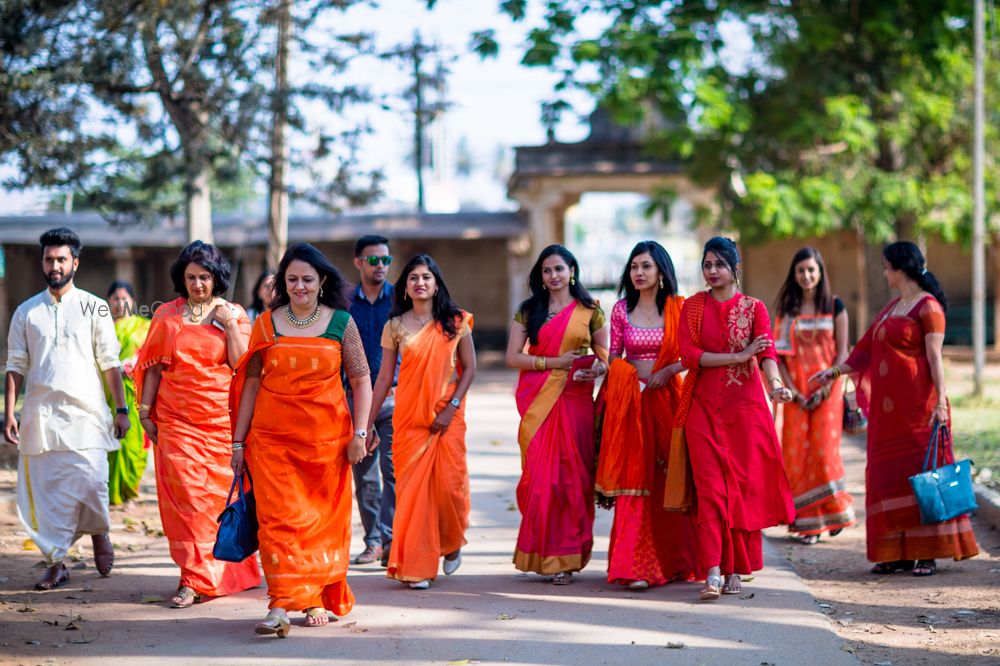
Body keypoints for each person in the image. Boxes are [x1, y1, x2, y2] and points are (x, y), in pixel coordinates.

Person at [811, 241, 978, 576]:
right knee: (888, 478)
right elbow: (863, 352)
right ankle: (896, 552)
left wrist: (942, 402)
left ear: (901, 268)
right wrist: (832, 373)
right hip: (889, 417)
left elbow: (934, 358)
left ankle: (927, 552)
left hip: (920, 409)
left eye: (887, 266)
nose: (884, 272)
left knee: (922, 475)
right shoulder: (892, 308)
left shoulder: (928, 308)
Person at [230, 243, 371, 636]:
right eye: (292, 279)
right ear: (282, 283)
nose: (300, 286)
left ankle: (311, 596)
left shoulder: (341, 323)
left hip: (326, 445)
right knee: (278, 522)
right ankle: (279, 603)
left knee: (318, 524)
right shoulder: (266, 323)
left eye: (307, 279)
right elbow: (252, 384)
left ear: (322, 280)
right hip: (272, 441)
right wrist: (238, 443)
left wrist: (360, 432)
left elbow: (361, 380)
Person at [134, 241, 260, 608]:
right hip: (177, 424)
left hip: (223, 426)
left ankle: (226, 573)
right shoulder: (168, 317)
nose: (198, 284)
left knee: (219, 504)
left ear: (215, 277)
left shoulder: (233, 313)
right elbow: (152, 368)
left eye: (204, 277)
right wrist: (145, 413)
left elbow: (243, 364)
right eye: (191, 277)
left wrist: (228, 326)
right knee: (187, 505)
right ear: (182, 279)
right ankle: (193, 579)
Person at [4, 228, 130, 590]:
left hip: (87, 414)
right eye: (49, 259)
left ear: (75, 262)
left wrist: (120, 408)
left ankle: (99, 531)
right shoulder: (27, 312)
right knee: (46, 495)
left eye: (61, 259)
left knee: (92, 482)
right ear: (43, 263)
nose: (54, 265)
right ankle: (56, 561)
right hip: (41, 417)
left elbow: (110, 362)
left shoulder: (95, 306)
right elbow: (16, 365)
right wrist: (10, 412)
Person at [676, 236, 795, 601]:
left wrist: (775, 386)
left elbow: (766, 352)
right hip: (702, 408)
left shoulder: (754, 308)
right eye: (707, 265)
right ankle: (712, 569)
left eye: (719, 265)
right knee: (711, 489)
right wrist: (738, 355)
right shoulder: (693, 307)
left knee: (739, 489)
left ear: (734, 268)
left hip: (744, 410)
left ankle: (734, 569)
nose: (712, 271)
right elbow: (690, 355)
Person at [366, 254, 476, 590]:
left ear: (437, 283)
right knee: (413, 495)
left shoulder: (456, 322)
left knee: (450, 488)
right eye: (413, 277)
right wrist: (367, 423)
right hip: (410, 419)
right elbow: (384, 377)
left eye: (426, 277)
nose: (420, 282)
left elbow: (469, 368)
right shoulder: (395, 326)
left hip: (447, 417)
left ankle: (452, 541)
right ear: (405, 287)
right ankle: (417, 565)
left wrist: (450, 408)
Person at [598, 241, 702, 589]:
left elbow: (691, 355)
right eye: (634, 267)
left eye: (646, 266)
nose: (638, 273)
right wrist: (628, 376)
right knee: (635, 482)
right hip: (631, 403)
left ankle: (674, 561)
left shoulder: (679, 308)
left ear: (661, 271)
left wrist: (668, 370)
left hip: (668, 401)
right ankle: (636, 566)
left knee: (666, 480)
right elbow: (614, 356)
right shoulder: (620, 309)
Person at [505, 244, 608, 585]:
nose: (553, 276)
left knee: (574, 481)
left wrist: (595, 370)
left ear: (572, 271)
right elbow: (513, 357)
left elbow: (605, 356)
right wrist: (552, 363)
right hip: (540, 401)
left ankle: (568, 558)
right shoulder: (529, 310)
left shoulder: (590, 310)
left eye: (559, 269)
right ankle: (544, 554)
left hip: (576, 400)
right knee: (542, 481)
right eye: (547, 271)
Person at [773, 247, 856, 545]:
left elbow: (842, 352)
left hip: (828, 393)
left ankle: (832, 511)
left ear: (820, 272)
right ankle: (809, 522)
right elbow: (778, 357)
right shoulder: (788, 310)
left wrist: (825, 387)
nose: (806, 276)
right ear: (793, 275)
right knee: (796, 454)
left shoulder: (835, 306)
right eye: (801, 271)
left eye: (811, 270)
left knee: (823, 452)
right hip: (795, 395)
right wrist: (793, 392)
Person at [348, 235, 397, 567]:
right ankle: (373, 541)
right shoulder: (345, 302)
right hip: (355, 400)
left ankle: (392, 540)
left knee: (393, 471)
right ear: (358, 263)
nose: (380, 266)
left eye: (385, 260)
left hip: (395, 397)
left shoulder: (401, 299)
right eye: (373, 260)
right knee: (364, 474)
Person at [105, 280, 152, 505]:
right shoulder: (101, 326)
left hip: (136, 393)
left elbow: (152, 353)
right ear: (108, 301)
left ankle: (130, 491)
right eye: (115, 298)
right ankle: (109, 493)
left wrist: (135, 362)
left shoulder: (145, 326)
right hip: (106, 393)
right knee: (109, 441)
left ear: (133, 302)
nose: (120, 302)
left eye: (125, 298)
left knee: (133, 445)